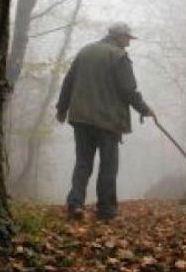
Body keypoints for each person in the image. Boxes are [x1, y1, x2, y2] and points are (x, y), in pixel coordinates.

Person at [56, 22, 155, 221]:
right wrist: (144, 109)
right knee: (108, 165)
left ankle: (75, 204)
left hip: (81, 118)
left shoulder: (85, 51)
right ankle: (106, 211)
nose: (129, 43)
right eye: (127, 38)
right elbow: (128, 91)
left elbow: (69, 81)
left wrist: (62, 107)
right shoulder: (119, 57)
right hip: (107, 121)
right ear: (119, 36)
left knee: (83, 163)